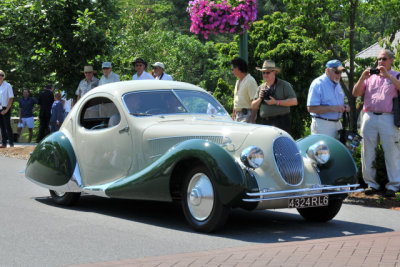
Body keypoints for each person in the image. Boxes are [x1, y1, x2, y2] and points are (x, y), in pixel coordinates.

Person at [352, 49, 400, 197]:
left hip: (388, 117)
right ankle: (371, 184)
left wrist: (388, 76)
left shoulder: (396, 75)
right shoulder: (370, 76)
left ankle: (394, 186)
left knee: (392, 152)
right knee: (367, 151)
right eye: (379, 59)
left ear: (391, 60)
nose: (381, 62)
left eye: (384, 59)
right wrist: (362, 77)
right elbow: (355, 93)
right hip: (369, 116)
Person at [307, 59, 350, 138]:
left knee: (337, 150)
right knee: (323, 150)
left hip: (337, 124)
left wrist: (344, 106)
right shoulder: (318, 83)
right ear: (327, 70)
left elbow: (334, 104)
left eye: (341, 72)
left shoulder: (337, 84)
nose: (339, 74)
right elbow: (311, 108)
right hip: (322, 124)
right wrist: (332, 108)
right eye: (336, 72)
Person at [252, 60, 298, 134]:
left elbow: (294, 101)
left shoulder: (284, 85)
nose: (265, 75)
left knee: (282, 144)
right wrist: (260, 98)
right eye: (263, 72)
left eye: (268, 72)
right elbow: (253, 106)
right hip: (265, 123)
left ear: (275, 72)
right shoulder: (261, 88)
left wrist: (276, 102)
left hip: (282, 121)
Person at [231, 57, 258, 123]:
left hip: (247, 115)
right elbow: (236, 102)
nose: (232, 70)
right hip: (237, 116)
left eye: (233, 68)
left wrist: (252, 120)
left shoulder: (250, 80)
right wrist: (233, 116)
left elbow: (255, 102)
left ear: (239, 68)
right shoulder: (237, 82)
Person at [0, 70, 15, 148]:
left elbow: (11, 98)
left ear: (4, 77)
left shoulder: (8, 85)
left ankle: (11, 143)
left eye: (2, 75)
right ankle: (4, 143)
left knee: (7, 126)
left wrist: (6, 110)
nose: (0, 77)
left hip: (6, 107)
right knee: (1, 126)